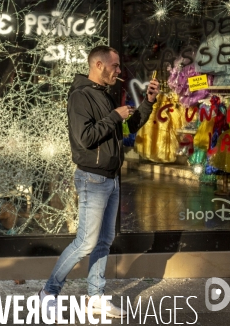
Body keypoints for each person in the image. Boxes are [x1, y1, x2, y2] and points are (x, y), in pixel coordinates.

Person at [38, 45, 160, 320]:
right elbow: (86, 138)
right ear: (99, 65)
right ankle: (48, 292)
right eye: (115, 66)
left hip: (111, 178)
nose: (119, 71)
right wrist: (115, 115)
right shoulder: (81, 97)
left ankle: (95, 297)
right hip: (92, 178)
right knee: (86, 242)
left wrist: (148, 102)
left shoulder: (105, 96)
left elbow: (127, 129)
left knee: (105, 241)